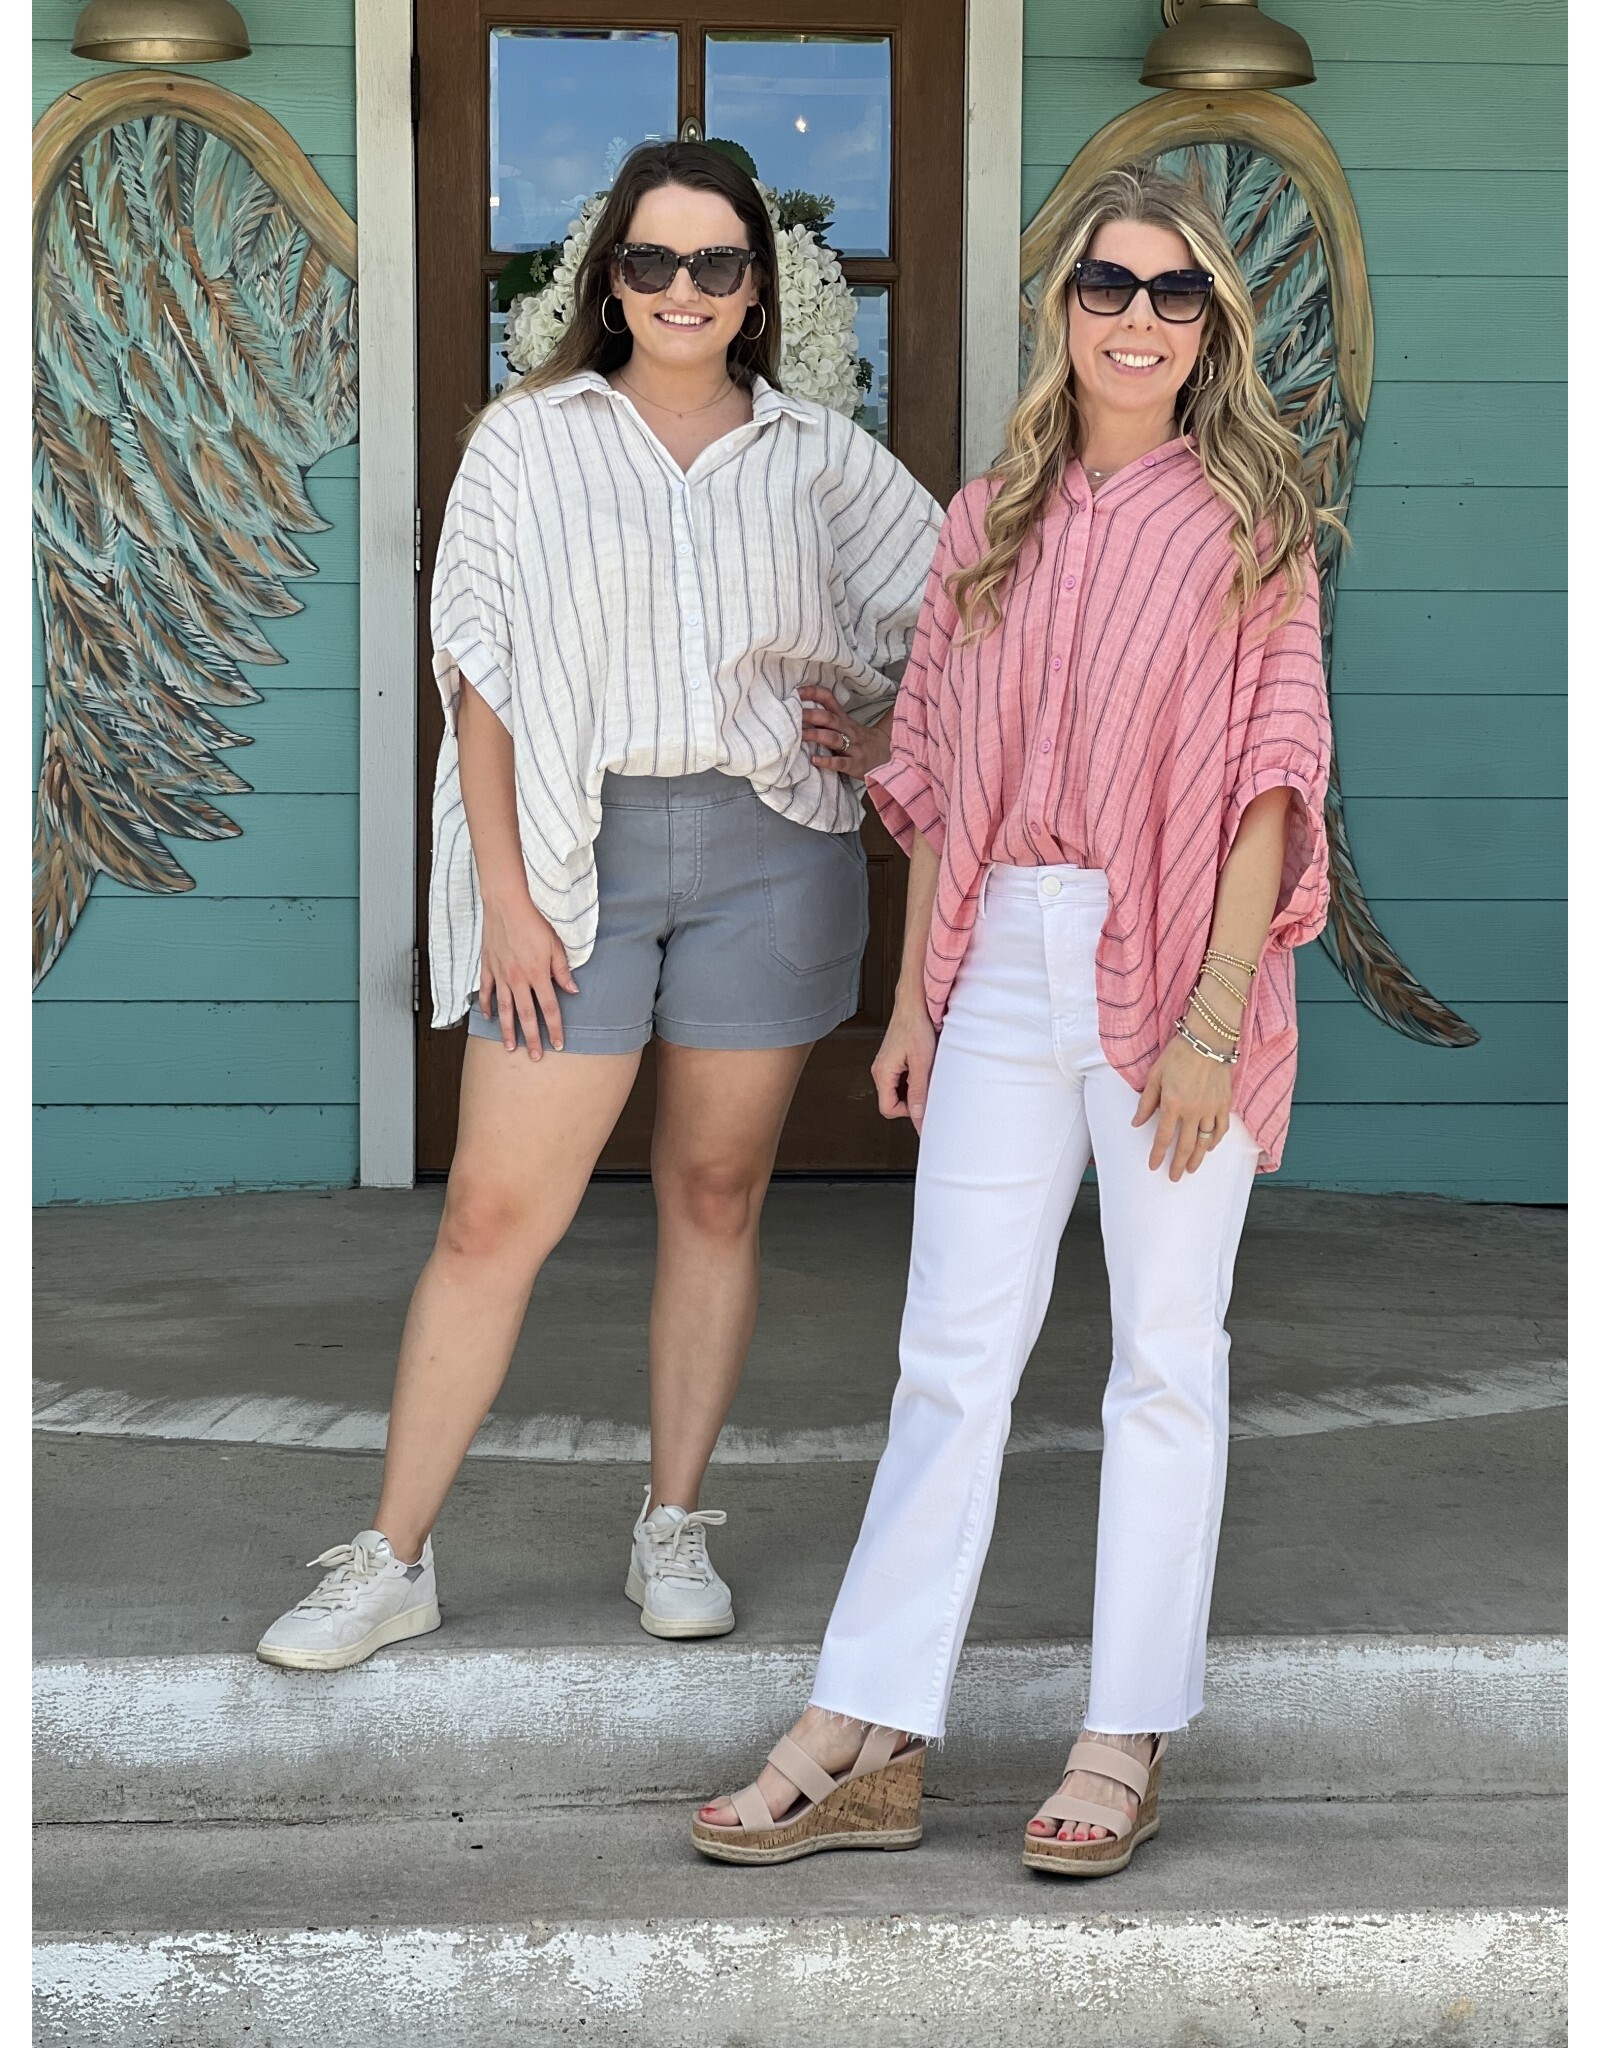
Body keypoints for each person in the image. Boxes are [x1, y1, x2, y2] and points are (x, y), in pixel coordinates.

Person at [692, 162, 1333, 1873]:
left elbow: (1270, 787)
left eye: (1173, 294)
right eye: (1108, 287)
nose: (1137, 320)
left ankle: (1124, 1733)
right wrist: (914, 997)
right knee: (949, 1363)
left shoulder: (1257, 524)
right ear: (1064, 306)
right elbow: (957, 782)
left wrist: (1208, 1019)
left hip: (1177, 969)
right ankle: (869, 1727)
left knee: (1164, 1363)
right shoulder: (991, 519)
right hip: (1000, 963)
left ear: (1213, 327)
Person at [256, 142, 942, 1670]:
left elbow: (966, 606)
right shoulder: (528, 440)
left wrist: (894, 730)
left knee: (714, 1197)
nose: (682, 291)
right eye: (652, 262)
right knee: (497, 1213)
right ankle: (393, 1555)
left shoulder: (818, 459)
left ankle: (673, 1521)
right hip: (576, 855)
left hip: (772, 846)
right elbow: (478, 677)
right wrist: (503, 898)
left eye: (715, 264)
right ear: (606, 282)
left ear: (758, 288)